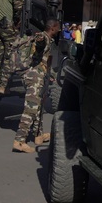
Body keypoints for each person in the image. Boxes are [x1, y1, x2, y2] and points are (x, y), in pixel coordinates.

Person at [13, 18, 62, 153]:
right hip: (34, 78)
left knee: (39, 107)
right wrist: (39, 39)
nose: (59, 29)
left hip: (40, 77)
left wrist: (51, 75)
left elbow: (45, 60)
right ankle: (19, 141)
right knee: (31, 109)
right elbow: (39, 41)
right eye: (58, 27)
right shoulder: (43, 38)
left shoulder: (49, 40)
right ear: (52, 28)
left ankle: (38, 135)